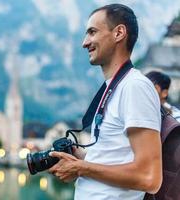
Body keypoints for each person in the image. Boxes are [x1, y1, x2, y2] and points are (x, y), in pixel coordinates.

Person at [48, 4, 162, 200]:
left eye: (92, 32)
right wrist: (79, 157)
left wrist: (81, 167)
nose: (85, 42)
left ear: (119, 33)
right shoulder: (114, 88)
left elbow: (149, 177)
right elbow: (115, 158)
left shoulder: (134, 87)